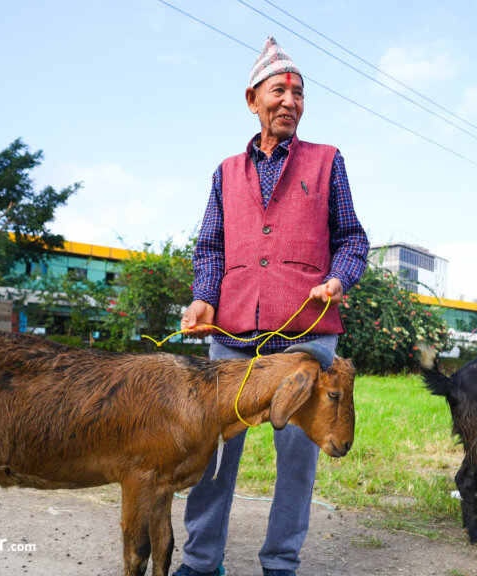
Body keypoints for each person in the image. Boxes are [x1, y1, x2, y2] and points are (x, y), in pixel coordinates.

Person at [173, 37, 369, 576]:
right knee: (212, 455)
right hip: (232, 335)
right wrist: (202, 299)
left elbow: (353, 239)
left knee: (298, 461)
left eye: (299, 94)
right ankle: (200, 560)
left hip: (306, 335)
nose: (290, 101)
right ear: (252, 98)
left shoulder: (327, 162)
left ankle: (280, 562)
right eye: (278, 90)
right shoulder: (225, 172)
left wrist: (336, 278)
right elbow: (210, 246)